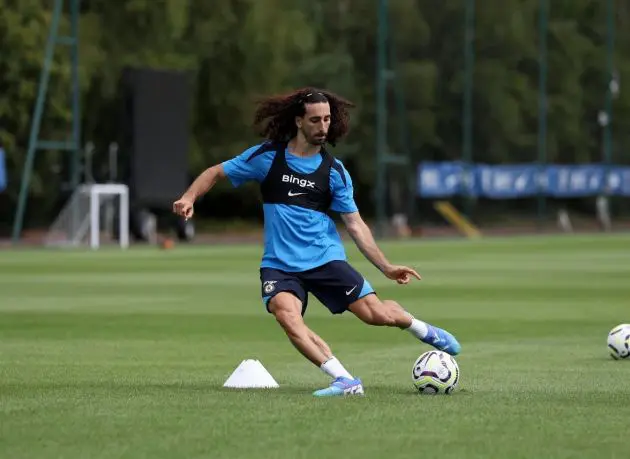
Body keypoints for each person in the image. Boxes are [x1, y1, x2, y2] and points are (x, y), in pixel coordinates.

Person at [173, 88, 461, 397]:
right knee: (287, 316)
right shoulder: (267, 157)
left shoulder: (334, 173)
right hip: (280, 264)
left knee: (375, 315)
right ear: (299, 121)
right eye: (315, 120)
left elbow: (355, 225)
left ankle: (419, 327)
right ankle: (345, 380)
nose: (323, 126)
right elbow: (217, 171)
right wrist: (189, 197)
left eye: (327, 119)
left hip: (324, 258)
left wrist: (386, 266)